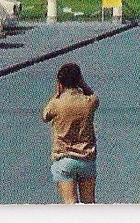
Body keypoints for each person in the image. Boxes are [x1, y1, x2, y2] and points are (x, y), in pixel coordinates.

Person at [41, 62, 99, 204]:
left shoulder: (56, 104)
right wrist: (83, 84)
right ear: (79, 80)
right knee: (89, 203)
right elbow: (94, 96)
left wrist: (57, 94)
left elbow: (45, 115)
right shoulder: (89, 102)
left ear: (60, 82)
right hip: (86, 158)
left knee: (70, 204)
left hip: (64, 159)